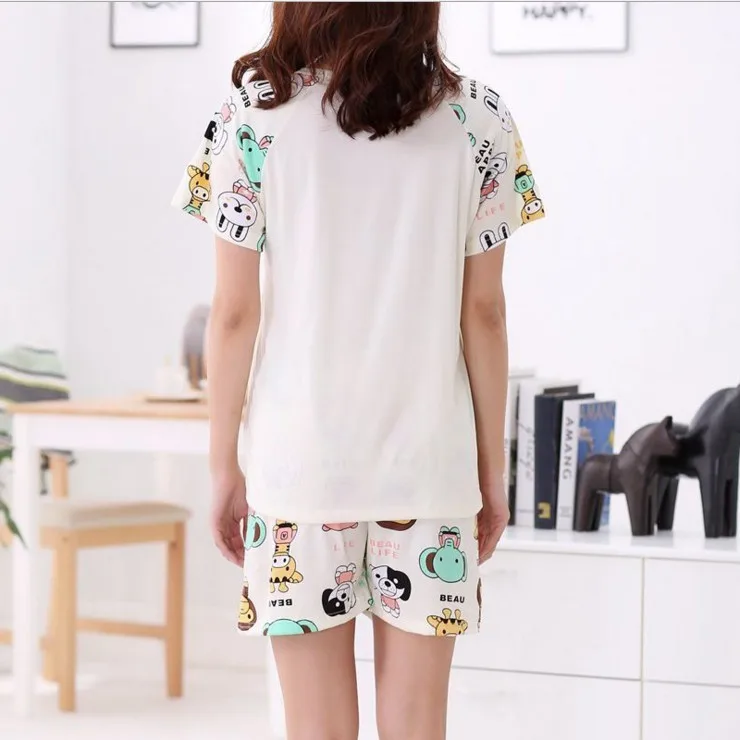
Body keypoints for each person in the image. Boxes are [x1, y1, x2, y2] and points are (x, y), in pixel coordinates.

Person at [172, 3, 544, 738]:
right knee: (418, 725)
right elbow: (485, 314)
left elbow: (234, 314)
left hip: (298, 473)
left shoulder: (252, 118)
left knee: (315, 728)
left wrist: (222, 467)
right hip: (429, 472)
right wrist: (490, 472)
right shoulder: (480, 119)